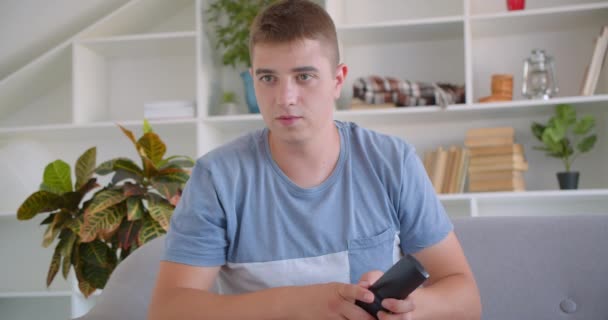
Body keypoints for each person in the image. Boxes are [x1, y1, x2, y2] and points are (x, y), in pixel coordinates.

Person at [149, 0, 481, 319]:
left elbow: (466, 299)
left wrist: (413, 311)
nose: (284, 98)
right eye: (268, 78)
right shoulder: (216, 178)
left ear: (338, 80)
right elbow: (168, 312)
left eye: (304, 76)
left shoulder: (392, 161)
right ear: (253, 80)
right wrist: (297, 303)